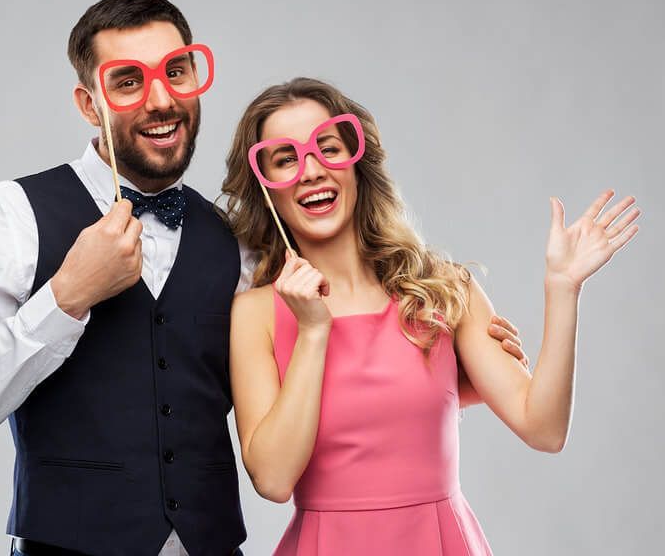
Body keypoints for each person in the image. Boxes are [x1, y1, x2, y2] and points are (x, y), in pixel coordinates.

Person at [0, 0, 527, 556]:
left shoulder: (239, 247)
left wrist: (450, 367)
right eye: (128, 81)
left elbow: (301, 379)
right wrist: (66, 297)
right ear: (89, 103)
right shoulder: (12, 213)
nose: (160, 100)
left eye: (175, 72)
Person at [222, 78, 639, 555]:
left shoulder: (443, 290)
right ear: (267, 191)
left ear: (357, 164)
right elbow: (273, 479)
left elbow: (543, 428)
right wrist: (314, 330)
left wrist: (562, 289)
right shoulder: (254, 315)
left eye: (327, 148)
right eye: (286, 159)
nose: (311, 170)